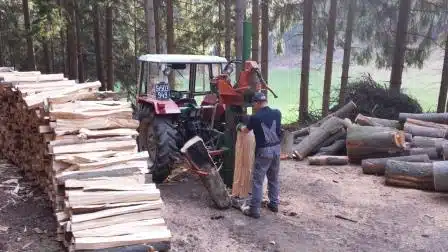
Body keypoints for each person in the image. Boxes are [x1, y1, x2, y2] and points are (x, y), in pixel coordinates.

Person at [237, 92, 282, 219]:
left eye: (254, 104)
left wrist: (239, 126)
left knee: (258, 181)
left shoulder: (255, 118)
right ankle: (274, 204)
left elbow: (246, 131)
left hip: (264, 152)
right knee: (273, 178)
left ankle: (254, 210)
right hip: (277, 149)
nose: (253, 106)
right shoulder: (277, 113)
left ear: (257, 103)